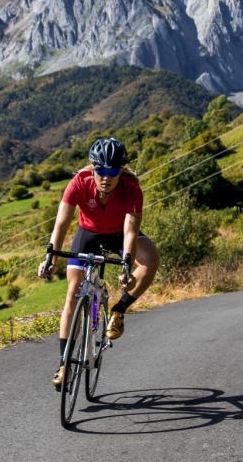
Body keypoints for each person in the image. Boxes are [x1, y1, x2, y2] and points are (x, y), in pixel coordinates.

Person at [38, 137, 159, 390]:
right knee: (72, 293)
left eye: (112, 171)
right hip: (88, 233)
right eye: (100, 171)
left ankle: (119, 310)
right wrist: (50, 255)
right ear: (92, 168)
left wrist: (126, 265)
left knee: (150, 260)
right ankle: (64, 365)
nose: (106, 177)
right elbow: (61, 222)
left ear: (120, 171)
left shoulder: (132, 189)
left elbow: (129, 231)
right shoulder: (79, 182)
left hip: (118, 233)